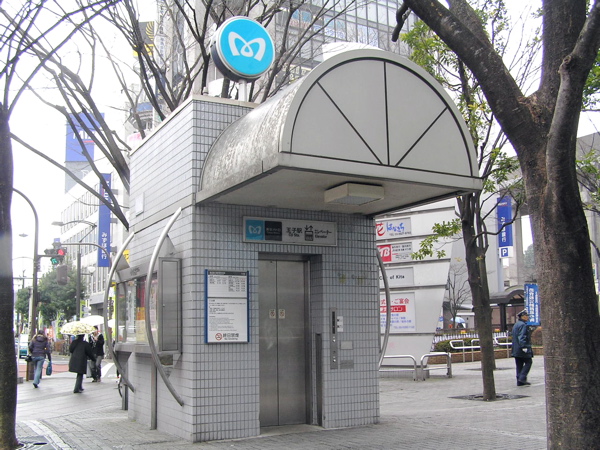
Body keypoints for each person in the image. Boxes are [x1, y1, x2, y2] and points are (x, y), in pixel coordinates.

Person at [512, 309, 534, 386]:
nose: (528, 317)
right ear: (522, 316)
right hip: (522, 349)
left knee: (519, 364)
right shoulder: (523, 325)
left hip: (516, 349)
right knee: (528, 362)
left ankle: (519, 381)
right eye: (526, 315)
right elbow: (522, 337)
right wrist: (524, 346)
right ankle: (522, 378)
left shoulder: (516, 324)